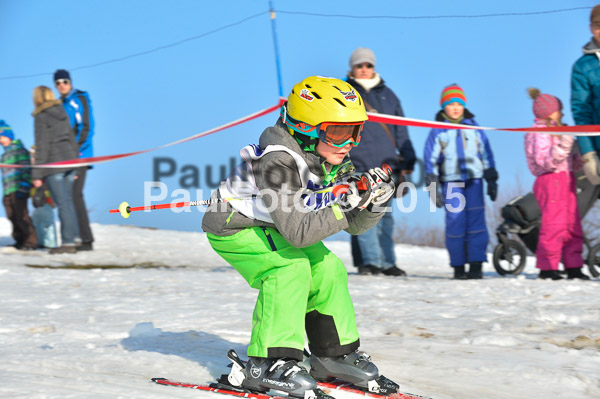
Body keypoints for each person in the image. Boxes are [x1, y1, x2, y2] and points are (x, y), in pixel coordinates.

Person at [202, 76, 399, 398]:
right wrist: (345, 205)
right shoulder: (277, 161)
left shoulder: (333, 159)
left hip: (278, 226)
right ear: (306, 128)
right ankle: (267, 363)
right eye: (337, 132)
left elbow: (355, 226)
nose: (348, 141)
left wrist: (373, 202)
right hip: (236, 226)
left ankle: (332, 355)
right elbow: (298, 233)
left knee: (329, 269)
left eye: (355, 131)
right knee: (288, 270)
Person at [345, 47, 416, 277]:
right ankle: (371, 262)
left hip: (387, 165)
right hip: (359, 163)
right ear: (352, 69)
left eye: (368, 65)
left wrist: (408, 157)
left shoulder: (389, 96)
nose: (364, 69)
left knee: (386, 217)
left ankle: (387, 262)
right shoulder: (345, 92)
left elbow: (400, 129)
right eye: (359, 65)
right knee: (363, 211)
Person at [424, 84, 497, 279]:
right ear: (443, 107)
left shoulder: (474, 128)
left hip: (474, 182)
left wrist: (491, 178)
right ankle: (458, 266)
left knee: (477, 223)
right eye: (450, 104)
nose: (455, 108)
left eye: (459, 103)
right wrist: (433, 187)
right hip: (452, 183)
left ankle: (476, 264)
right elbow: (430, 161)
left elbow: (486, 153)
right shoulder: (438, 131)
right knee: (455, 223)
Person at [524, 89, 589, 280]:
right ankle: (548, 267)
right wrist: (564, 145)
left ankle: (574, 265)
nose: (562, 114)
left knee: (572, 225)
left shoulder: (559, 131)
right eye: (558, 110)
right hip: (550, 181)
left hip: (566, 180)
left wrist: (578, 160)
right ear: (548, 112)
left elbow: (564, 160)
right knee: (554, 226)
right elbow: (546, 161)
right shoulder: (540, 133)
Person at [31, 86, 80, 254]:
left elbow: (42, 146)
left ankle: (67, 242)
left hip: (54, 165)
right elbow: (71, 139)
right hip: (70, 161)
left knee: (62, 203)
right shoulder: (61, 112)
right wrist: (77, 165)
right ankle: (75, 237)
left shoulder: (41, 116)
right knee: (68, 201)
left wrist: (37, 173)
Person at [53, 69, 95, 251]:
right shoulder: (59, 104)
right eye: (58, 83)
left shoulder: (79, 99)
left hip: (79, 156)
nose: (62, 85)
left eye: (65, 81)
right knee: (68, 197)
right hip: (64, 157)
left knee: (75, 195)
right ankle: (77, 237)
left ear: (70, 82)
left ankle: (86, 239)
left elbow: (87, 127)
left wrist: (76, 153)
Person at [572, 5, 600, 187]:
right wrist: (589, 153)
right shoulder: (583, 67)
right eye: (598, 26)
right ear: (591, 28)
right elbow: (581, 111)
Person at [0, 120, 37, 250]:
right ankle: (20, 239)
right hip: (8, 190)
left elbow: (26, 170)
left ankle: (30, 241)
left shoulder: (20, 151)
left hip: (19, 188)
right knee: (11, 216)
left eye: (2, 136)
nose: (1, 140)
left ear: (9, 136)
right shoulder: (4, 155)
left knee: (22, 215)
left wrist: (24, 186)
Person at [30, 146, 58, 249]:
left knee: (47, 221)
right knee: (37, 221)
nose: (32, 158)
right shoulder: (33, 170)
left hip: (46, 199)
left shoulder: (44, 168)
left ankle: (51, 243)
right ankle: (41, 241)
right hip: (37, 201)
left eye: (34, 156)